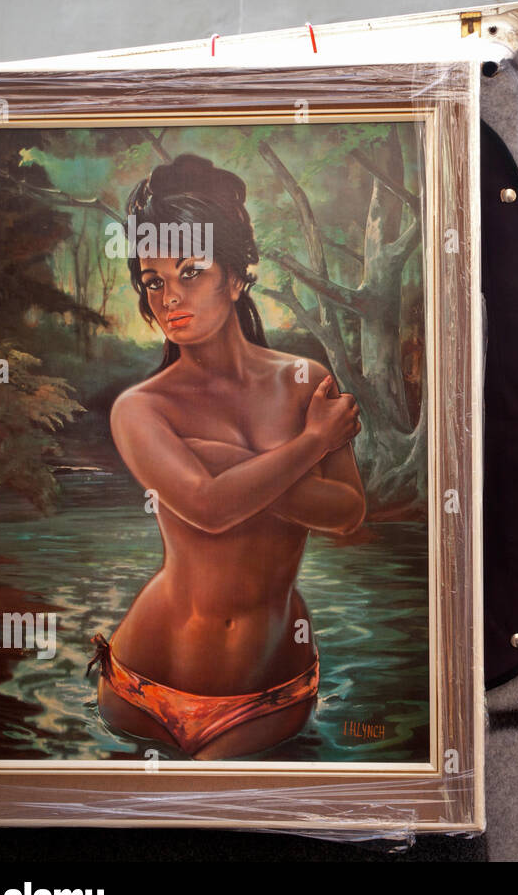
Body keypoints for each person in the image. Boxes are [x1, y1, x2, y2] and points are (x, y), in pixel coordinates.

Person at [91, 154, 366, 760]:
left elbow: (347, 513)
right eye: (153, 281)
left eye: (190, 271)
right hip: (142, 685)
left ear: (236, 277)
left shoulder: (302, 380)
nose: (169, 298)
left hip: (269, 690)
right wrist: (311, 445)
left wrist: (221, 464)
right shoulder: (140, 408)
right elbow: (210, 511)